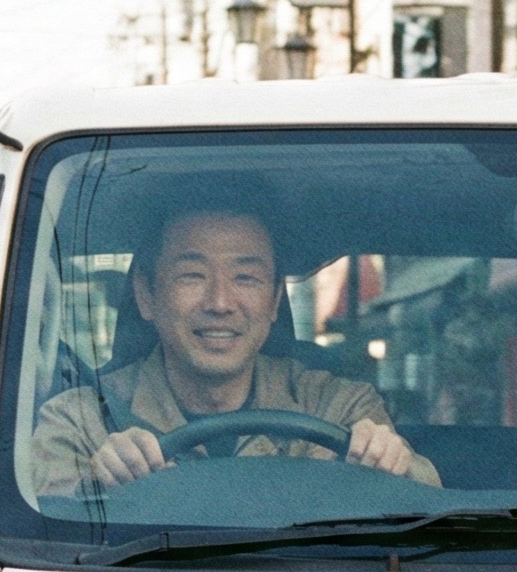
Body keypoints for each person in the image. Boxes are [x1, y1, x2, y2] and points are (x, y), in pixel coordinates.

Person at [30, 205, 439, 494]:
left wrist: (392, 462)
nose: (220, 303)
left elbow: (423, 508)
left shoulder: (336, 406)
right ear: (146, 294)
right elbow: (33, 535)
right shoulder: (82, 421)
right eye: (192, 275)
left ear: (276, 299)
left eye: (246, 278)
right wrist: (97, 488)